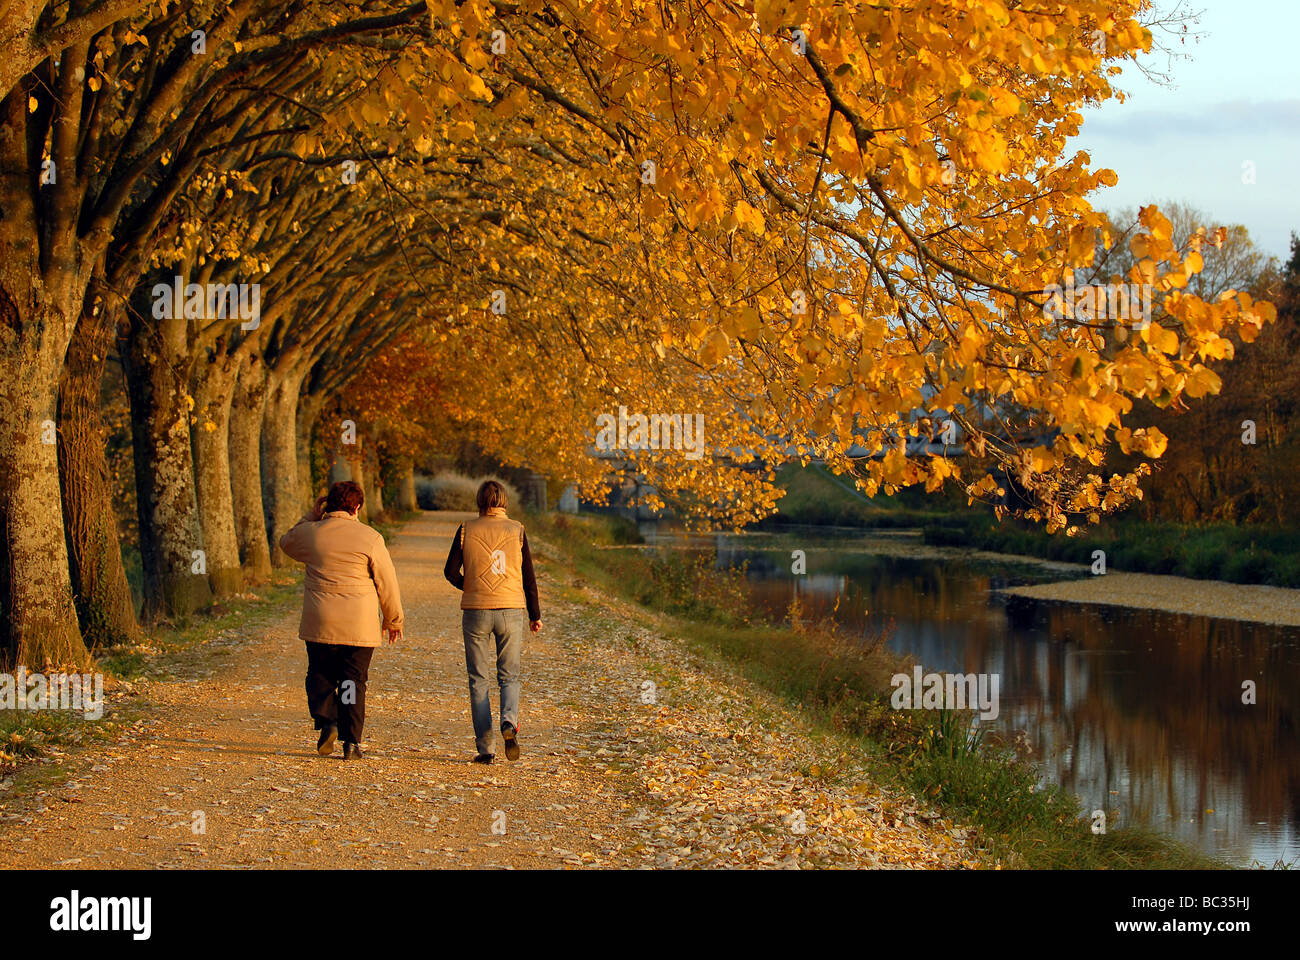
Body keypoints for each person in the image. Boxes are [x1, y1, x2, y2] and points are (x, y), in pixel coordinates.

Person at [279, 480, 403, 760]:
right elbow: (387, 581)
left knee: (320, 675)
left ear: (328, 504)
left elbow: (286, 542)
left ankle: (329, 720)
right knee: (352, 680)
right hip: (359, 623)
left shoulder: (312, 533)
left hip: (320, 620)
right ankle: (350, 742)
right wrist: (393, 619)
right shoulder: (370, 537)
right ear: (357, 507)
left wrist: (311, 515)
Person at [443, 480, 541, 763]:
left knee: (478, 679)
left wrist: (471, 586)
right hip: (510, 610)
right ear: (504, 502)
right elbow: (529, 578)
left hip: (476, 611)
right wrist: (535, 615)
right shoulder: (517, 529)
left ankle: (486, 748)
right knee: (509, 675)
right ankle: (509, 722)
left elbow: (450, 571)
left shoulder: (466, 529)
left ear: (479, 502)